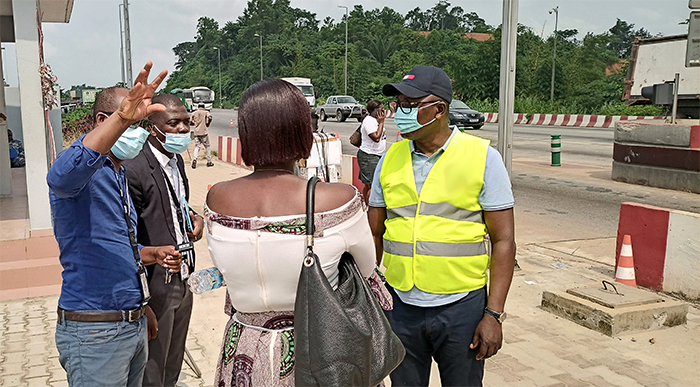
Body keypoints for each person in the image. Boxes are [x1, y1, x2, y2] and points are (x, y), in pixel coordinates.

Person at [205, 79, 378, 387]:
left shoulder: (217, 198)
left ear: (245, 135)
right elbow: (367, 272)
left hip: (246, 345)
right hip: (322, 352)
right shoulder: (337, 199)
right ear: (303, 134)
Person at [368, 66, 516, 387]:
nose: (400, 113)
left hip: (461, 308)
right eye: (398, 105)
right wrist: (369, 296)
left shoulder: (483, 158)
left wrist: (493, 315)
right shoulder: (389, 158)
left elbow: (503, 240)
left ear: (439, 110)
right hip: (400, 306)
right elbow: (374, 234)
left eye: (410, 105)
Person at [47, 63, 183, 387]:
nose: (140, 133)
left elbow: (116, 245)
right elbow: (58, 176)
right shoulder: (79, 172)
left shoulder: (118, 174)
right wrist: (122, 119)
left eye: (141, 125)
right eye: (132, 123)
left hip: (129, 323)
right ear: (102, 122)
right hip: (96, 330)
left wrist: (149, 260)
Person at [123, 94, 205, 386]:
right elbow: (126, 233)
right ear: (153, 128)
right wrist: (141, 298)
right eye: (174, 123)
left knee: (174, 359)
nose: (183, 129)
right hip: (157, 281)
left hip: (184, 275)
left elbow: (175, 205)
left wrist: (194, 218)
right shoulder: (135, 168)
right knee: (153, 366)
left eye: (185, 122)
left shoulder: (177, 161)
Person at [357, 100, 386, 205]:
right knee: (372, 185)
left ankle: (366, 205)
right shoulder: (369, 121)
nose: (383, 113)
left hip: (376, 155)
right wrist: (381, 123)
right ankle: (370, 209)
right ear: (375, 110)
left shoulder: (375, 120)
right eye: (381, 110)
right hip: (369, 156)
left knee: (369, 184)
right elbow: (376, 138)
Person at [190, 103, 213, 168]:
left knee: (197, 147)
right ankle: (209, 162)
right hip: (204, 132)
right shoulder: (206, 112)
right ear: (204, 107)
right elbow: (210, 118)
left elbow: (190, 121)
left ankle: (195, 159)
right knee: (207, 147)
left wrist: (195, 124)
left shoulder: (194, 113)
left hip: (196, 132)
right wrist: (208, 123)